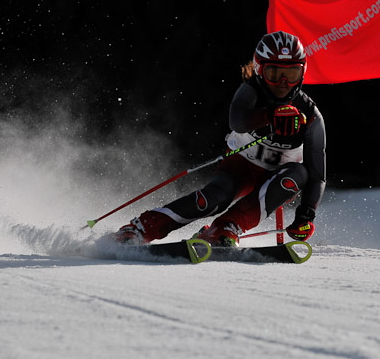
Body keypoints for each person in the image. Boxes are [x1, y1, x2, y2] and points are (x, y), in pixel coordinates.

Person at [111, 31, 326, 247]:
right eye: (274, 73)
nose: (282, 83)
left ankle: (225, 228)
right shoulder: (251, 91)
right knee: (214, 199)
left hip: (277, 178)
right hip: (241, 166)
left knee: (299, 173)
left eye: (291, 75)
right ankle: (141, 227)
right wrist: (269, 116)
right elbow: (237, 120)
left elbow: (317, 175)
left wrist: (306, 215)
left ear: (303, 73)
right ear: (260, 70)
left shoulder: (310, 115)